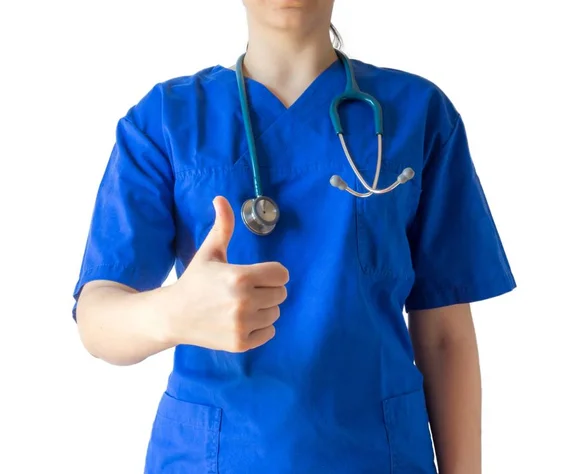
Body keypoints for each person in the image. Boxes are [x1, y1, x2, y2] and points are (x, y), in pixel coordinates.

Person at [72, 1, 516, 473]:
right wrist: (171, 312)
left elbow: (444, 335)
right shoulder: (166, 120)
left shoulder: (417, 114)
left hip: (374, 456)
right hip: (217, 459)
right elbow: (97, 317)